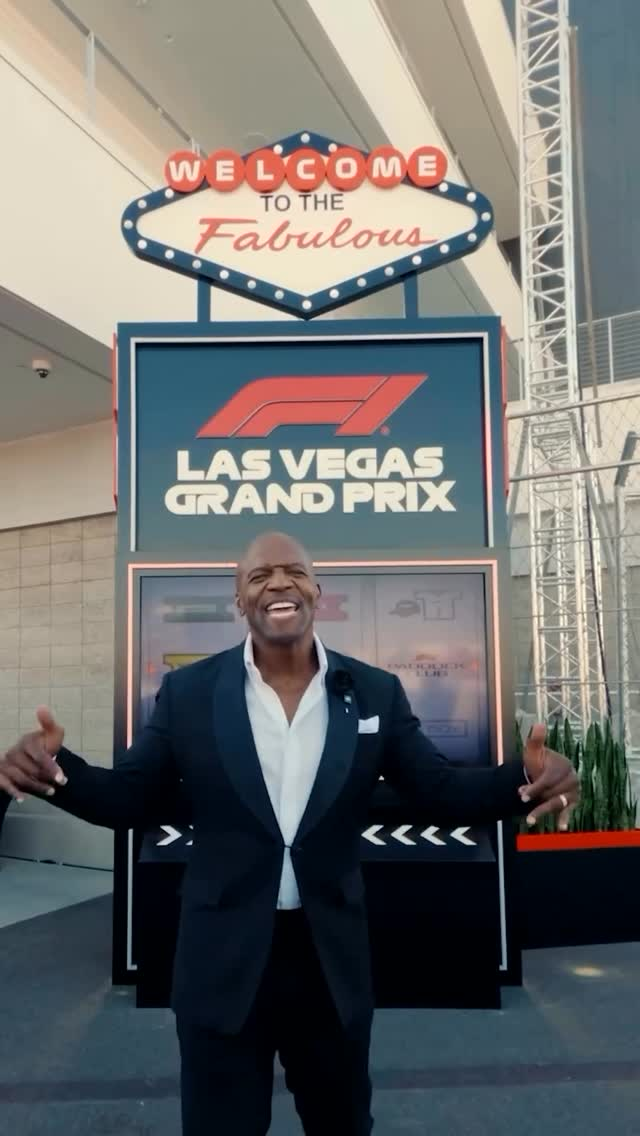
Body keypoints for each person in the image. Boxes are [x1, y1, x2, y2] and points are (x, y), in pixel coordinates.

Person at [0, 531, 579, 1136]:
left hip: (329, 965)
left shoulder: (374, 691)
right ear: (239, 601)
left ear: (317, 592)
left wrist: (526, 778)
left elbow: (440, 791)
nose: (279, 583)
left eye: (294, 572)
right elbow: (130, 798)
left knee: (342, 1125)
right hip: (221, 964)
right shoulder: (189, 693)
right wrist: (56, 772)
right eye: (259, 576)